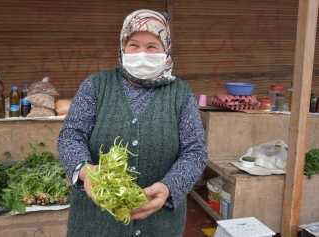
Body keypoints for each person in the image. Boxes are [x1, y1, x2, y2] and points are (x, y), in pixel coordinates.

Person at [57, 9, 208, 237]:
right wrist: (86, 172)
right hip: (95, 225)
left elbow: (195, 151)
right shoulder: (97, 86)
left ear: (165, 49)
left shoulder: (180, 94)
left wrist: (168, 188)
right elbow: (71, 135)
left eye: (152, 46)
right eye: (134, 45)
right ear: (122, 47)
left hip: (160, 226)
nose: (142, 53)